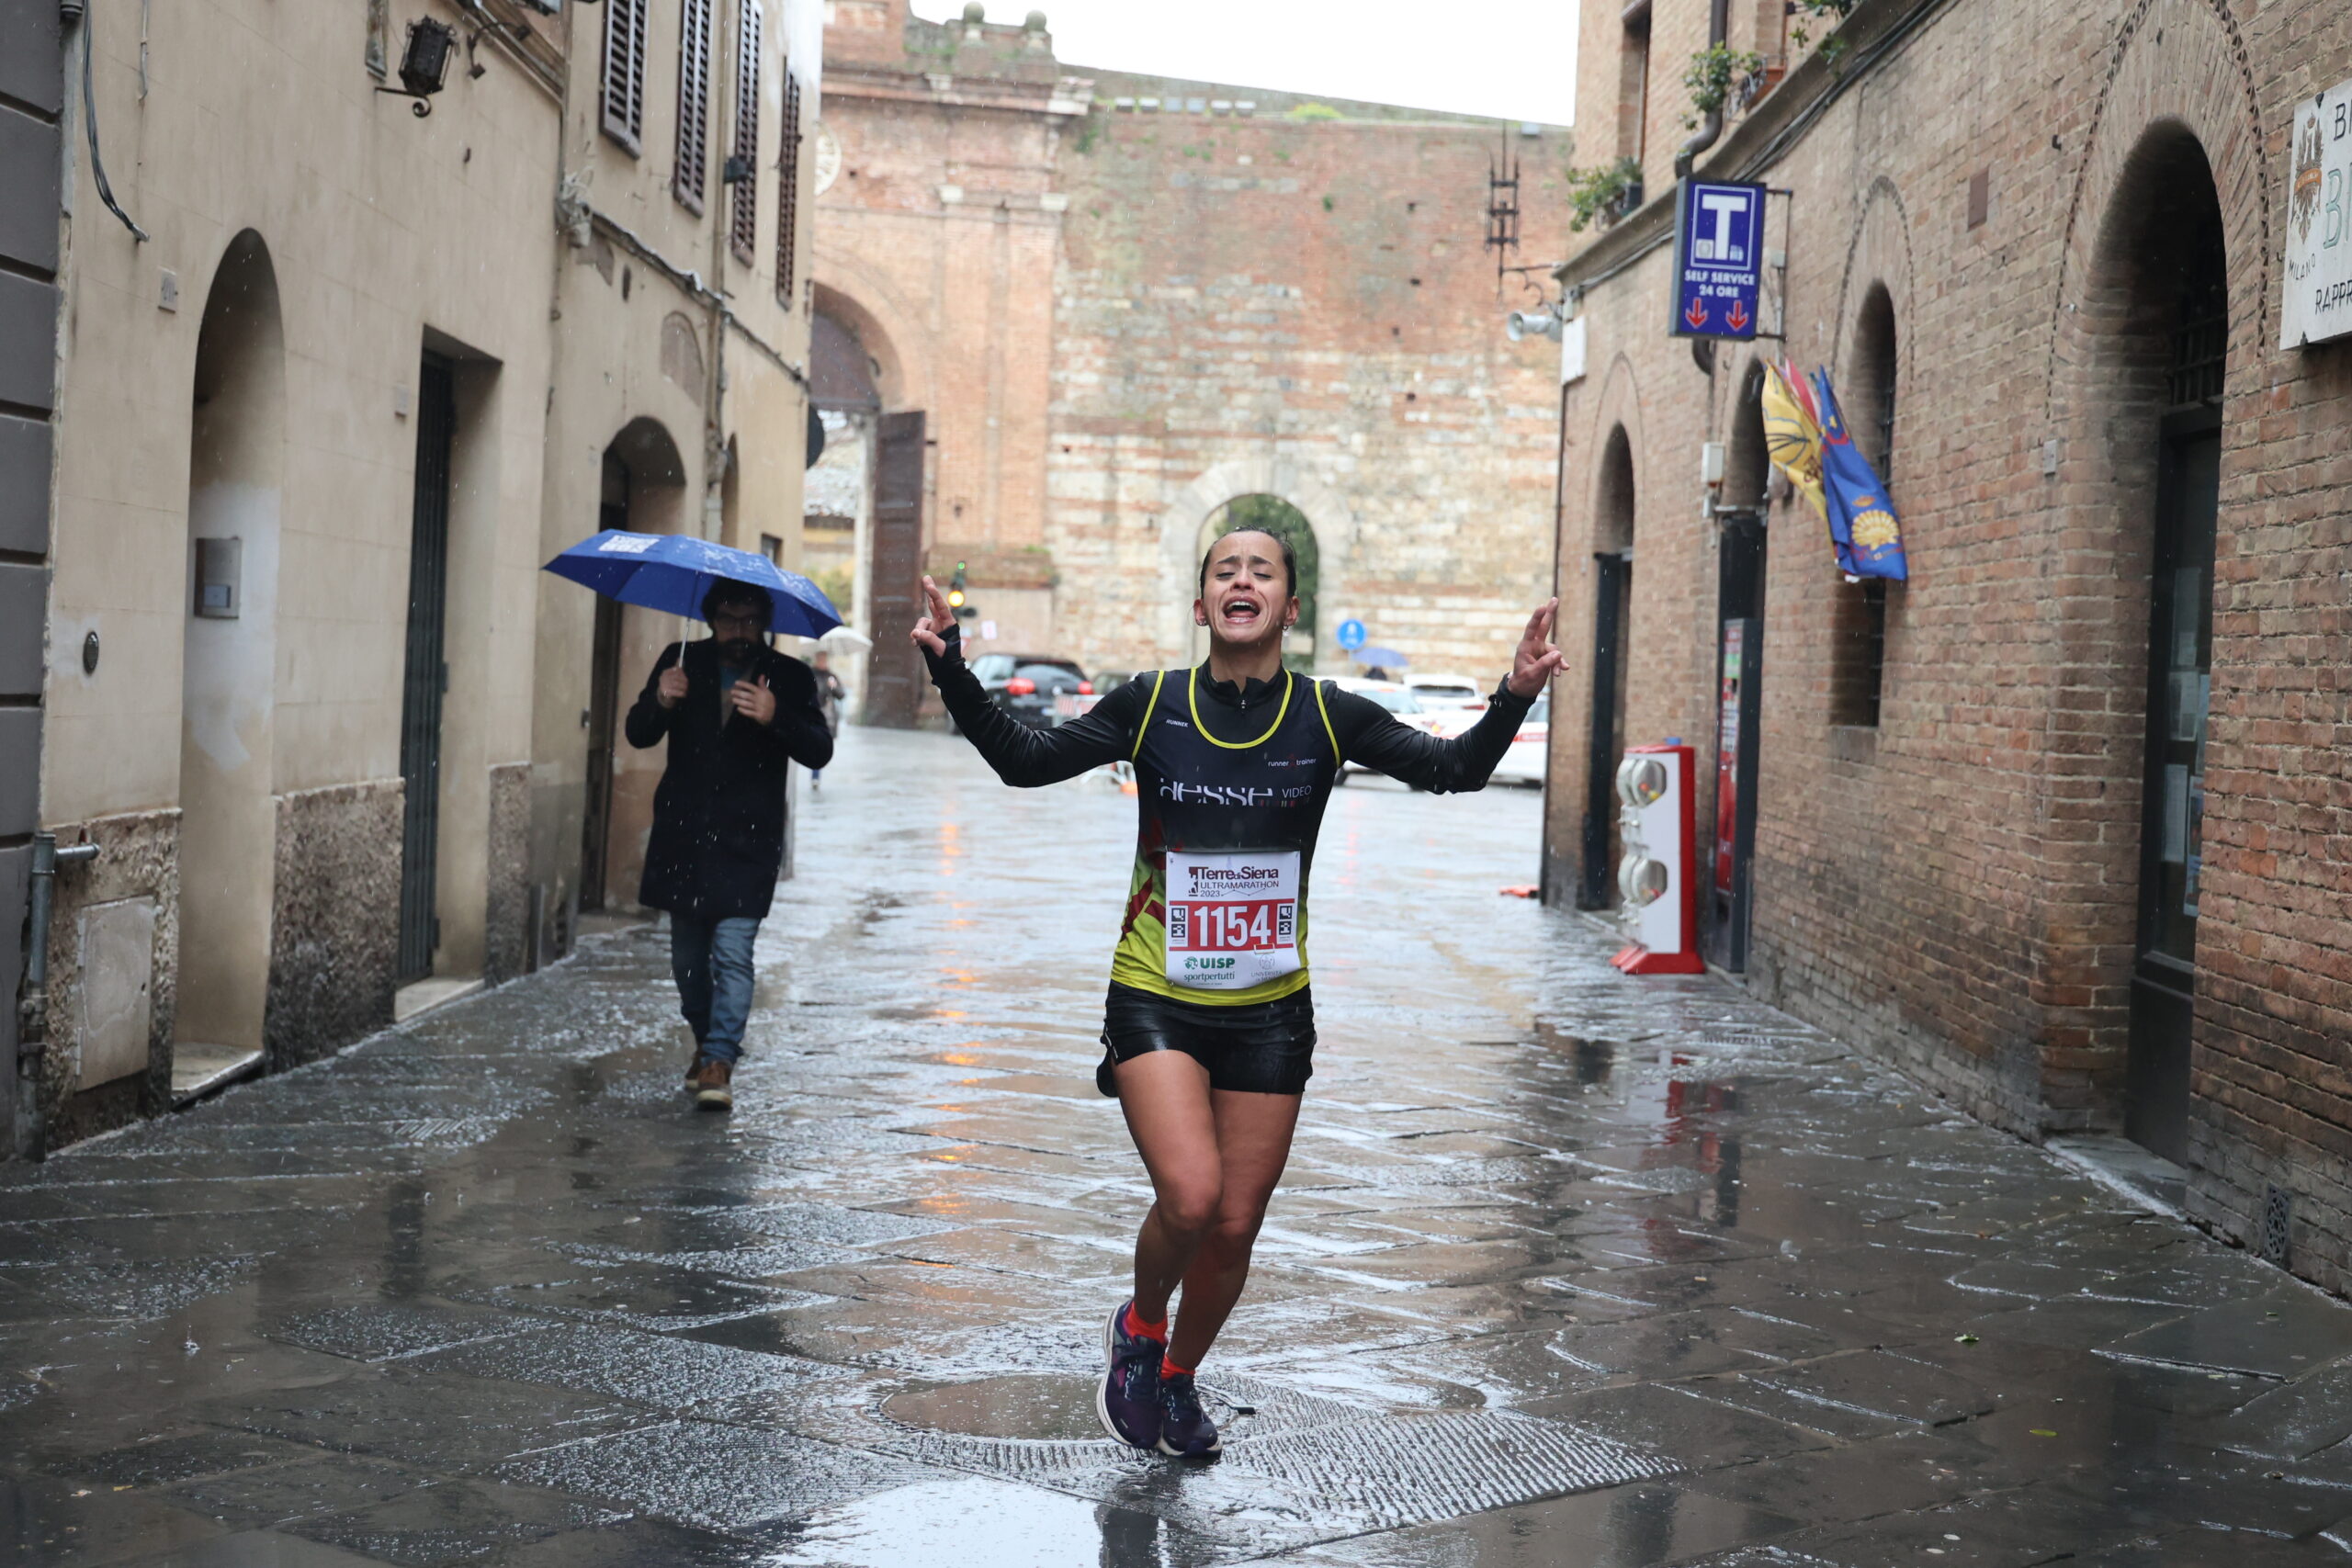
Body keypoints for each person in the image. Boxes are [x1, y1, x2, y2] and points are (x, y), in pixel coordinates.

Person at [910, 529, 1563, 1457]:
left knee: (1232, 1228)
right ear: (1201, 604)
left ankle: (1176, 1381)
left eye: (1262, 572)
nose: (1242, 581)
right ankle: (1139, 1334)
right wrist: (953, 670)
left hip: (1268, 1009)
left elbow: (1451, 770)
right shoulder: (1152, 703)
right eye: (1224, 571)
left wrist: (1515, 695)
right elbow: (1025, 758)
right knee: (1190, 1196)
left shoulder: (1328, 715)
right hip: (1155, 992)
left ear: (1289, 609)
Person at [626, 580, 834, 1111]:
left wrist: (775, 715)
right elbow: (638, 732)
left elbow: (818, 751)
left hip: (749, 841)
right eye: (728, 619)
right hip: (684, 837)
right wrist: (659, 699)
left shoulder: (788, 675)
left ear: (763, 621)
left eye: (748, 621)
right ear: (711, 618)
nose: (738, 632)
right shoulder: (680, 661)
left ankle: (720, 1058)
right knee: (687, 964)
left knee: (734, 954)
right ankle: (704, 1041)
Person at [809, 650, 846, 788]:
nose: (822, 662)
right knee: (814, 745)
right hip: (812, 715)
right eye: (820, 659)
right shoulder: (810, 674)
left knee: (820, 746)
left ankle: (816, 774)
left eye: (824, 659)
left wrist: (834, 686)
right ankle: (815, 774)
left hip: (827, 718)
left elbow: (841, 695)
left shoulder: (832, 677)